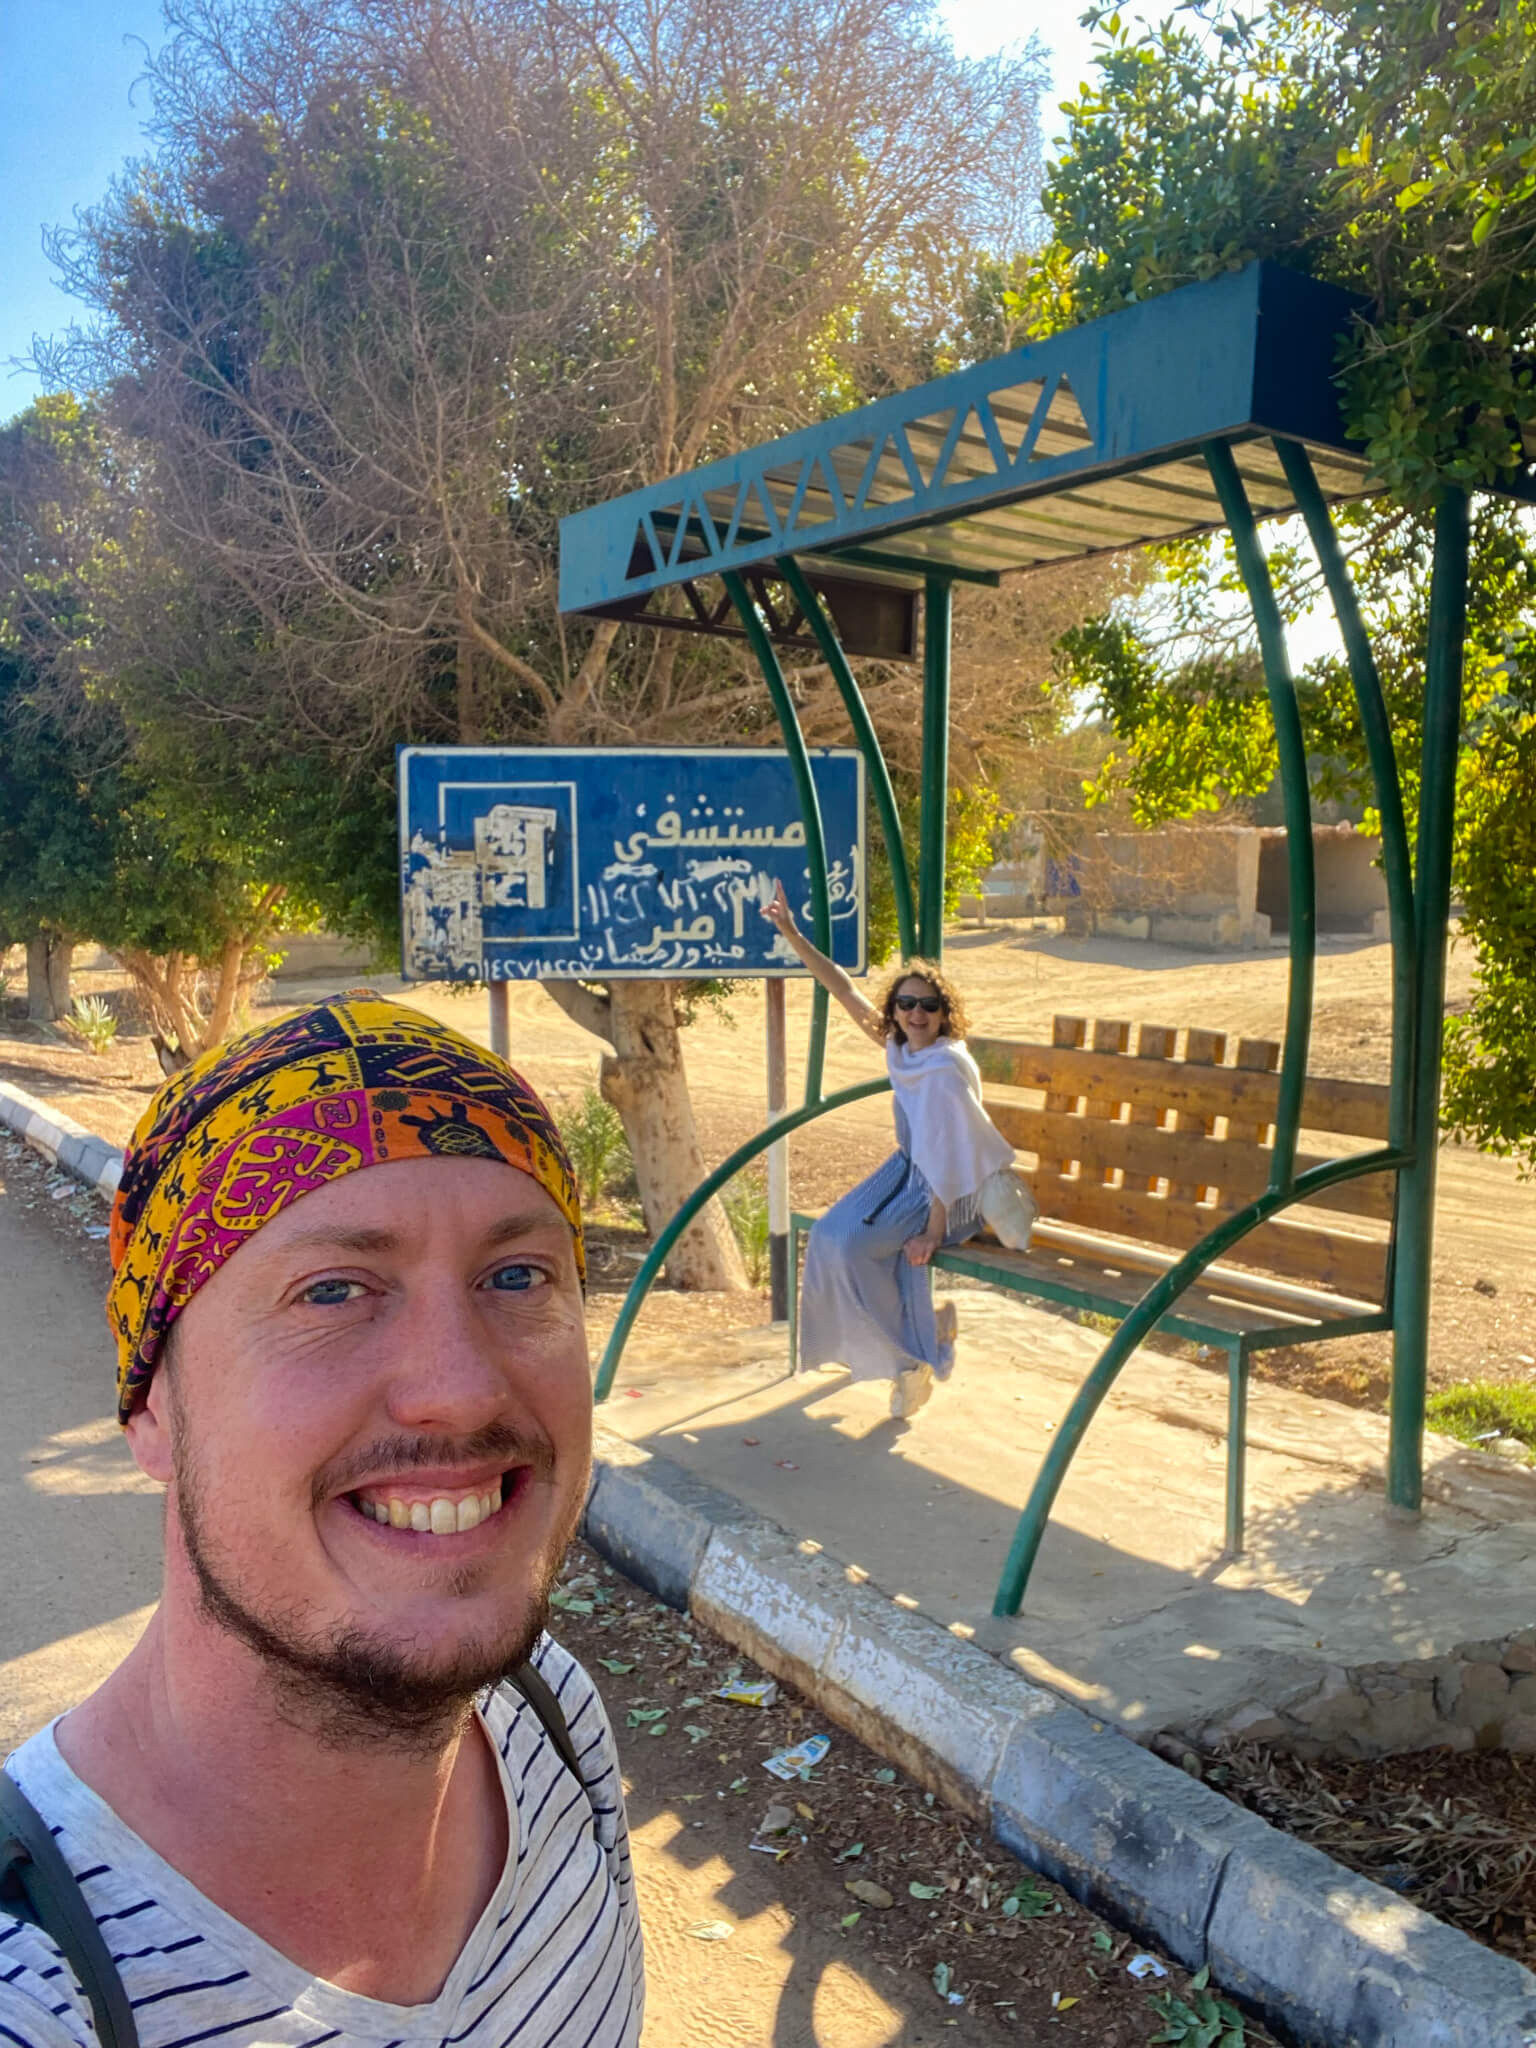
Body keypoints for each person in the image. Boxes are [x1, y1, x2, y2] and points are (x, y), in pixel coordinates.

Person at [0, 991, 644, 2048]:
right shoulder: (37, 1988)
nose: (462, 1388)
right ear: (153, 1406)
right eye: (335, 1291)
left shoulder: (548, 1717)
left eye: (518, 1275)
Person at [760, 883, 1014, 1418]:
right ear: (895, 1011)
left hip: (948, 1191)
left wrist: (933, 1232)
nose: (915, 1013)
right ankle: (918, 1344)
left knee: (854, 1247)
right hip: (910, 1174)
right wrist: (793, 934)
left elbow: (949, 1156)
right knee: (830, 1238)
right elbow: (842, 989)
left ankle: (912, 1358)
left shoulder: (944, 1070)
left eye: (928, 1005)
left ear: (944, 1014)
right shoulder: (903, 1049)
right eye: (906, 1003)